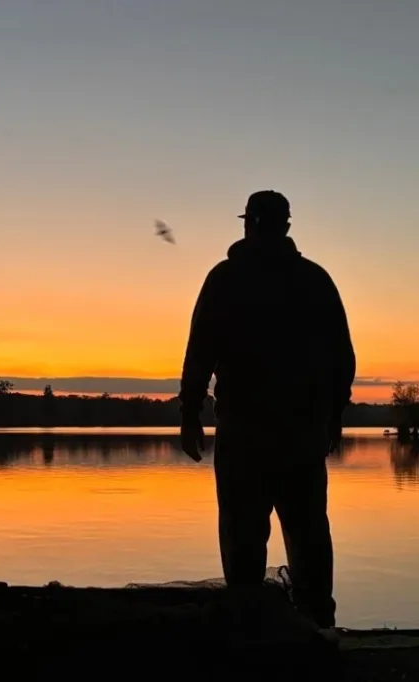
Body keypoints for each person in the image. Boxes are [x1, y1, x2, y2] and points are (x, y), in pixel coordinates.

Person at [178, 190, 356, 631]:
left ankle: (249, 633)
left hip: (245, 435)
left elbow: (200, 350)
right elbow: (343, 359)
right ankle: (320, 628)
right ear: (287, 227)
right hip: (303, 435)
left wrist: (189, 413)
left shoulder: (225, 277)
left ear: (250, 224)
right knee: (309, 533)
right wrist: (333, 415)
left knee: (243, 540)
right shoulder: (316, 280)